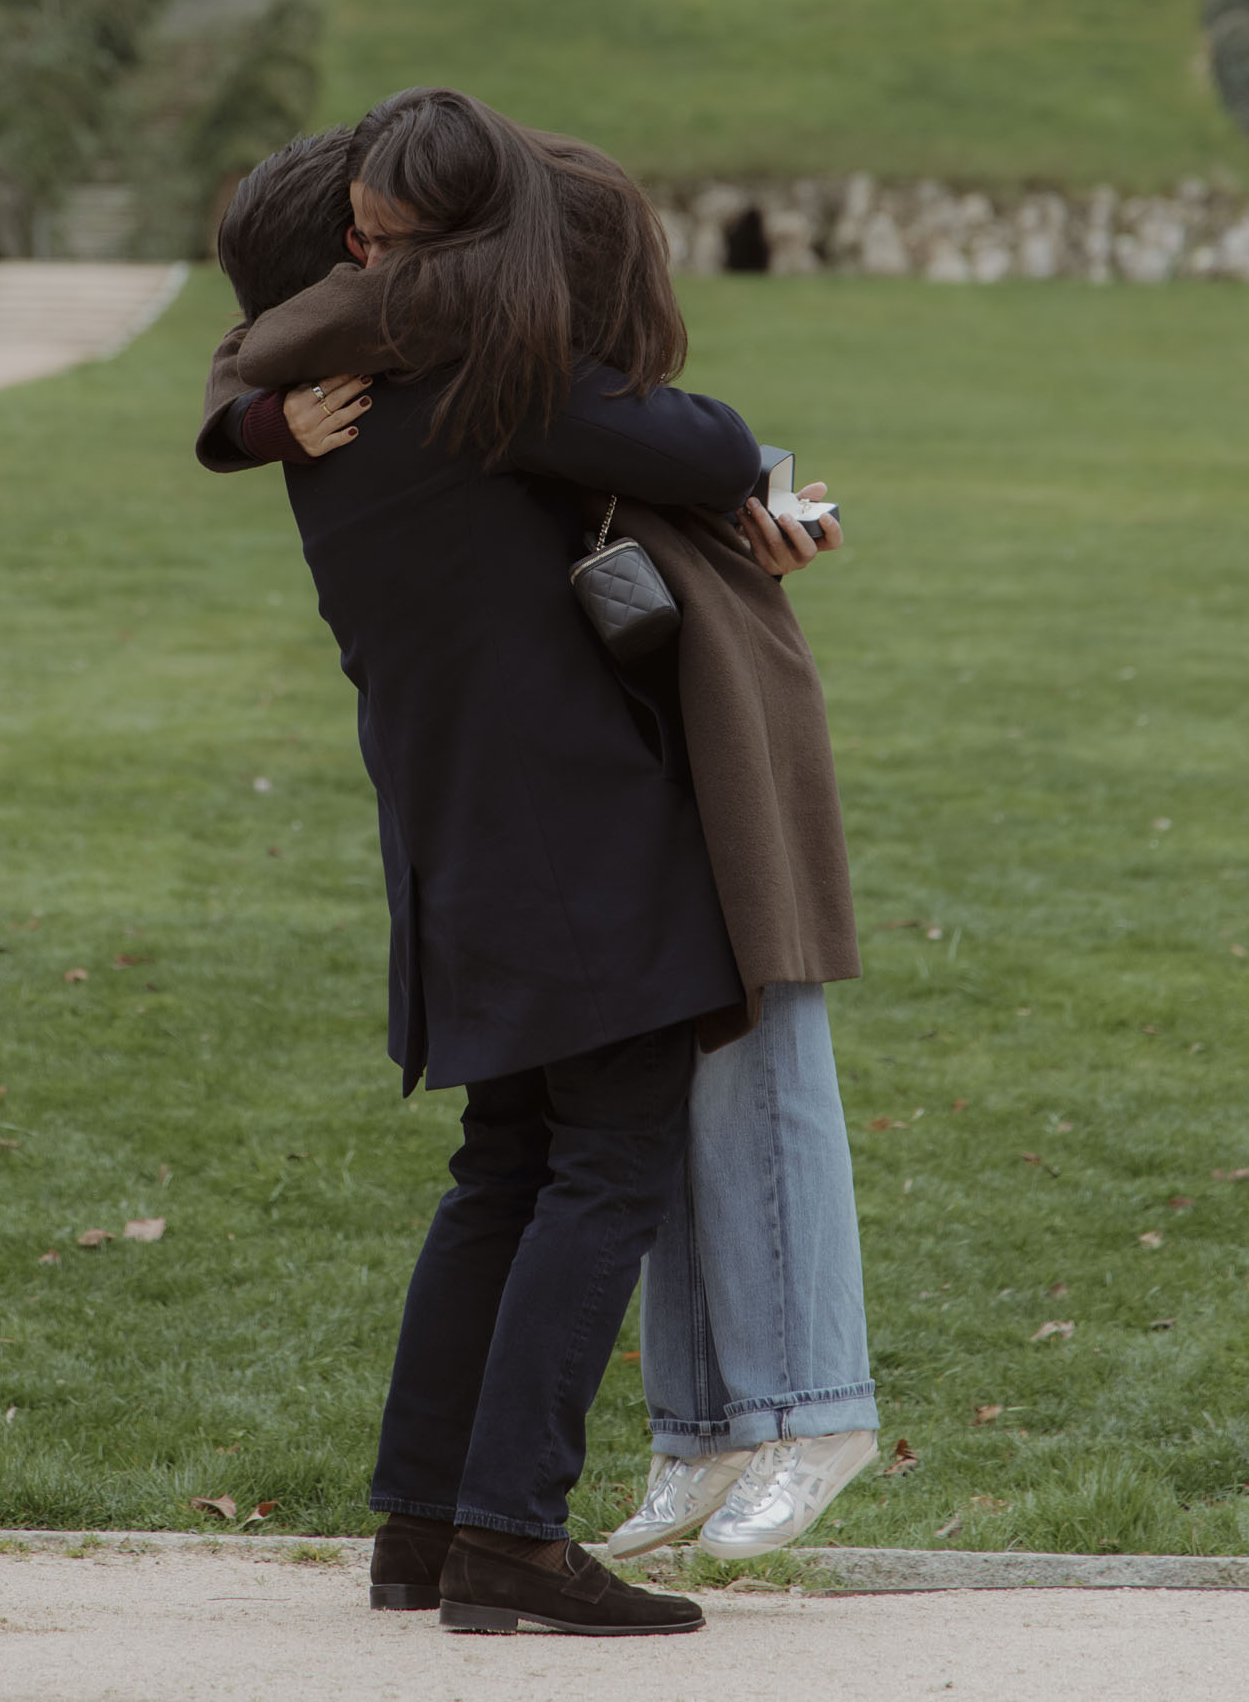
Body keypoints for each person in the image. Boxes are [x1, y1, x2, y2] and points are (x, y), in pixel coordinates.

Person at [200, 93, 879, 1581]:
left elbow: (246, 387)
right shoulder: (482, 378)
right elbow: (697, 441)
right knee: (605, 1166)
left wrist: (252, 408)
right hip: (572, 838)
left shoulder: (321, 394)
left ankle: (423, 1527)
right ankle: (511, 1532)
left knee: (501, 1163)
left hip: (446, 830)